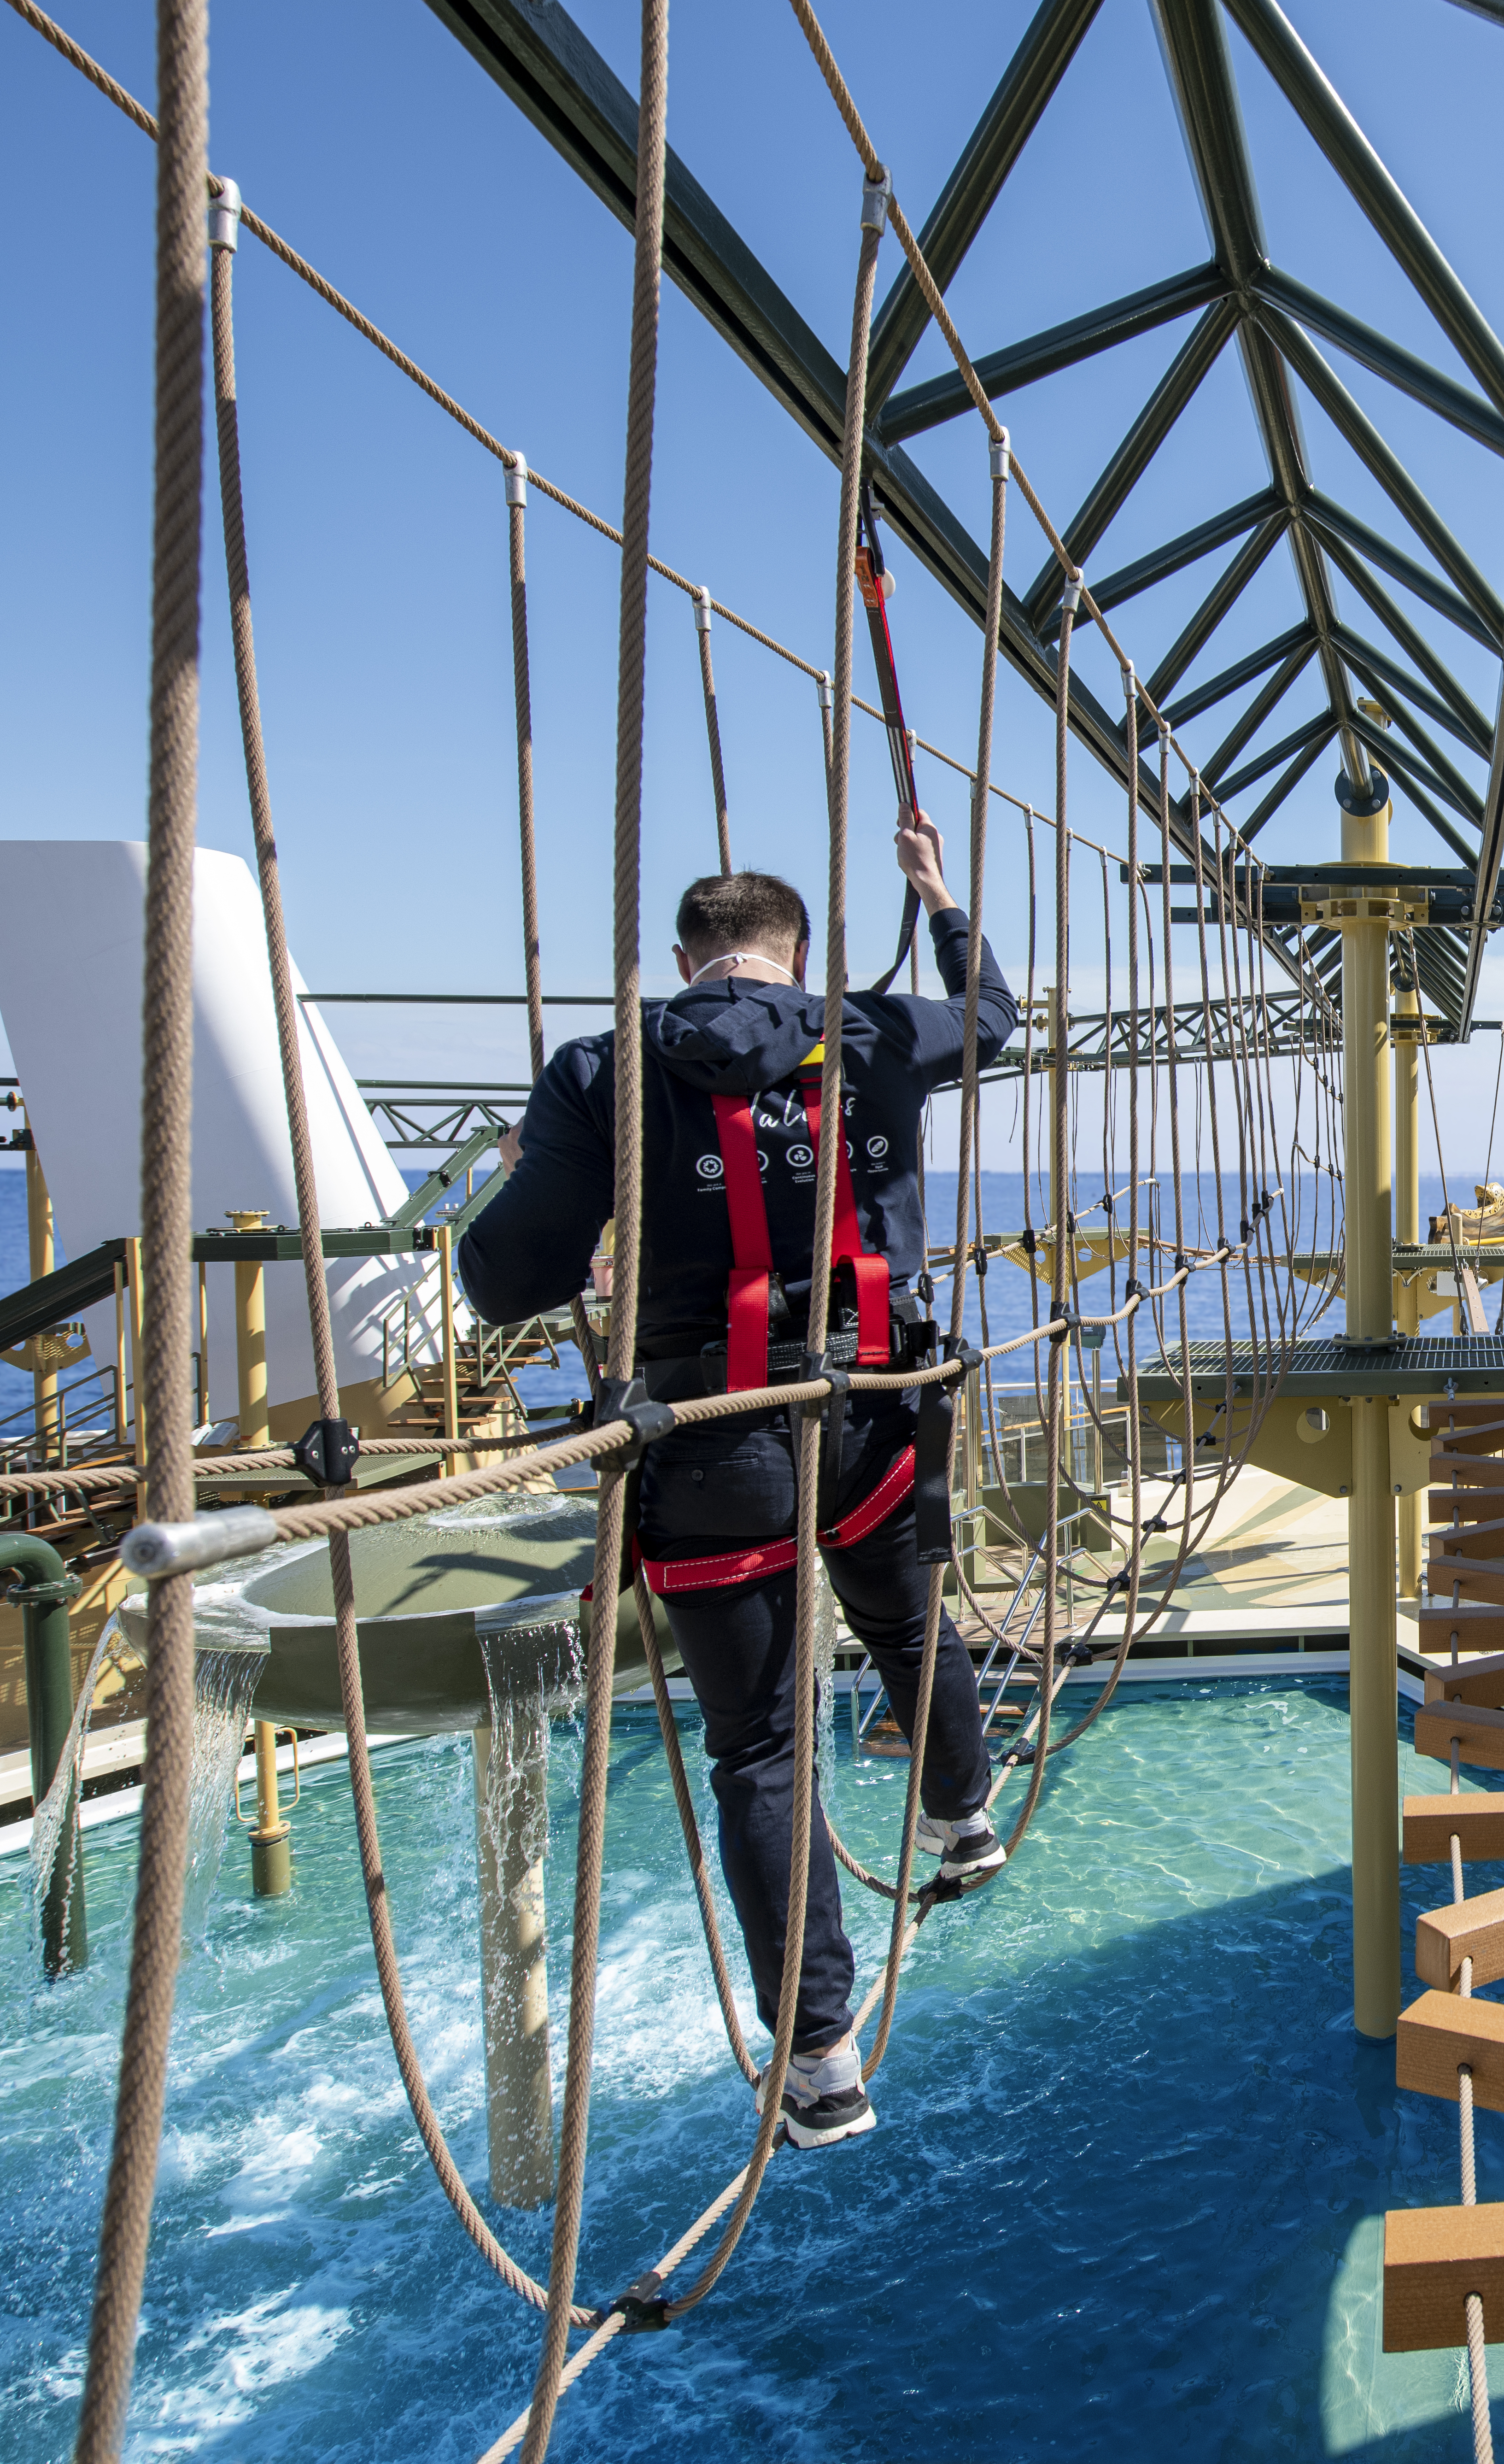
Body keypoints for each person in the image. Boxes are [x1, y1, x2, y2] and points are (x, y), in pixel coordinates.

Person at [462, 807, 1016, 2149]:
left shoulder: (604, 1070)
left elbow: (506, 1277)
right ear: (798, 952)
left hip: (710, 1439)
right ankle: (961, 1808)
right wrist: (937, 895)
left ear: (684, 956)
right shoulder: (879, 1031)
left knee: (760, 1748)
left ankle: (820, 2059)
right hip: (875, 1412)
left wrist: (574, 1193)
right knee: (904, 1616)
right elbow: (993, 1016)